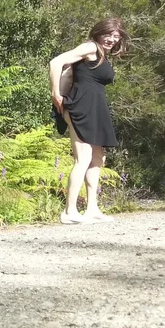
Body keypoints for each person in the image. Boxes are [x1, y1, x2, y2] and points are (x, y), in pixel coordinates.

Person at [49, 17, 130, 224]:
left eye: (115, 36)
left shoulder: (103, 54)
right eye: (108, 34)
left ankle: (92, 208)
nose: (111, 39)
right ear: (98, 33)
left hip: (96, 107)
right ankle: (69, 211)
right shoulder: (90, 47)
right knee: (83, 158)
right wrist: (56, 94)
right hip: (80, 105)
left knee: (97, 158)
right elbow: (56, 62)